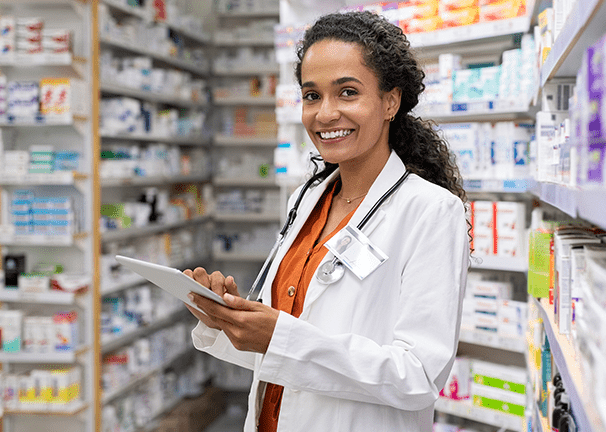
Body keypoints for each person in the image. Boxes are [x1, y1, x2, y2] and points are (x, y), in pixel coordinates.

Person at [184, 10, 470, 432]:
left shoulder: (431, 211)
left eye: (348, 92)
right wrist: (231, 318)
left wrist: (280, 336)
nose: (325, 114)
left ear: (390, 101)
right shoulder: (308, 199)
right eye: (312, 95)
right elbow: (283, 346)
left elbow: (419, 376)